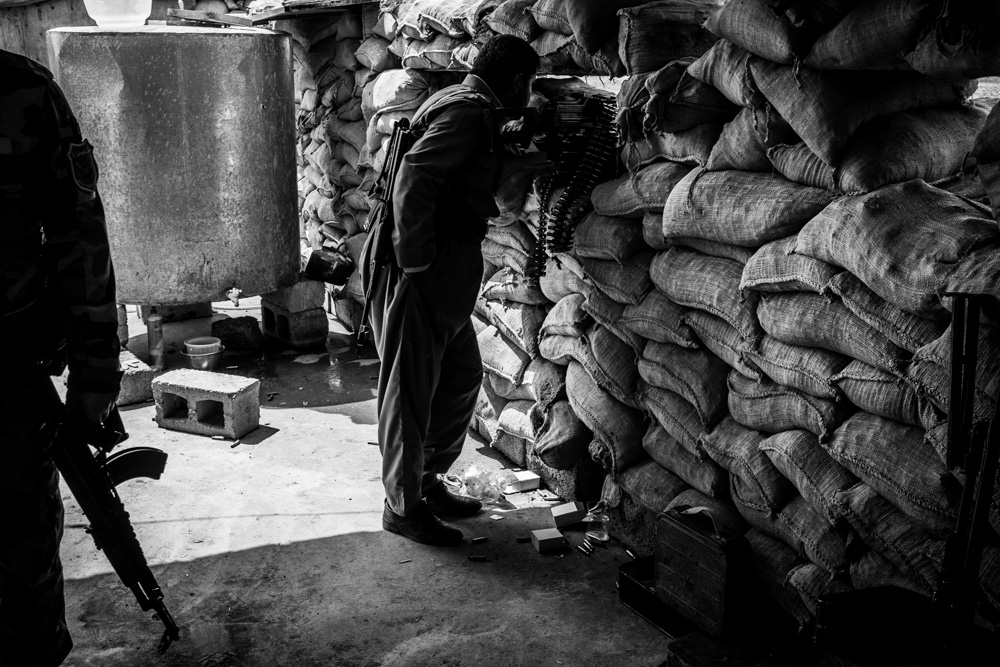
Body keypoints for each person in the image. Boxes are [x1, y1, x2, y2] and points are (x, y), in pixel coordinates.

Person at [368, 35, 539, 547]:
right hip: (421, 266)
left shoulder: (466, 105)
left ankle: (424, 483)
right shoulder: (468, 112)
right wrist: (418, 261)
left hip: (442, 269)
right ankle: (402, 506)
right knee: (409, 393)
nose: (528, 97)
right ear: (514, 81)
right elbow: (415, 176)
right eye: (528, 86)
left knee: (462, 374)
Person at [1, 49, 121, 666]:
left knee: (21, 587)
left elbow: (76, 230)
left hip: (5, 386)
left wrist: (97, 366)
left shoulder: (20, 90)